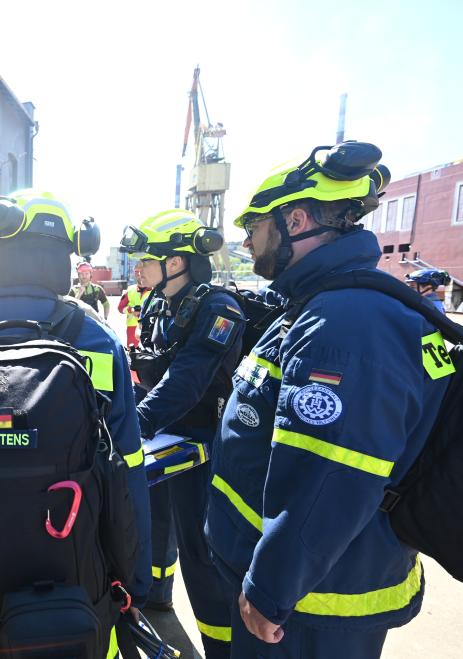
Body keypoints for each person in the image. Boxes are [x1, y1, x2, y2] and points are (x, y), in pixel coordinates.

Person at [206, 142, 441, 658]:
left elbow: (331, 475)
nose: (247, 243)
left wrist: (270, 591)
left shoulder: (344, 323)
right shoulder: (322, 305)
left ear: (294, 220)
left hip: (310, 606)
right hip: (304, 589)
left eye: (254, 228)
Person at [0, 190, 152, 658]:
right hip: (71, 589)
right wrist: (134, 582)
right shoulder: (97, 341)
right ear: (68, 255)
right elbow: (127, 471)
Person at [123, 210, 242, 658]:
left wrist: (135, 423)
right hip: (162, 437)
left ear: (176, 262)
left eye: (146, 259)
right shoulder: (158, 302)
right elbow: (149, 369)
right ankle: (156, 594)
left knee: (199, 548)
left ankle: (221, 646)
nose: (137, 267)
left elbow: (188, 380)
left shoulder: (219, 308)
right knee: (155, 524)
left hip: (203, 445)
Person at [117, 262, 150, 348]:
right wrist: (131, 310)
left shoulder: (154, 289)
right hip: (132, 328)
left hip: (148, 327)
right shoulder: (130, 289)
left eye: (141, 271)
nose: (139, 274)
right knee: (133, 355)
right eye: (136, 271)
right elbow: (120, 308)